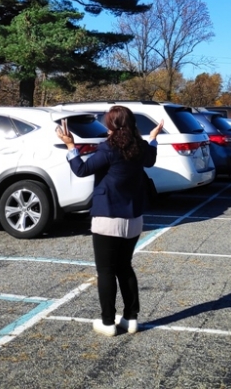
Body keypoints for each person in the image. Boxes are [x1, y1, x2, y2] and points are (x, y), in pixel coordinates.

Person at [57, 106, 159, 337]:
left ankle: (108, 322)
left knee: (106, 271)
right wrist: (153, 138)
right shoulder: (140, 146)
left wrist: (71, 146)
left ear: (111, 125)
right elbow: (151, 160)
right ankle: (130, 318)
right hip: (134, 217)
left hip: (107, 216)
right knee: (125, 267)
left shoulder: (108, 148)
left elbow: (81, 169)